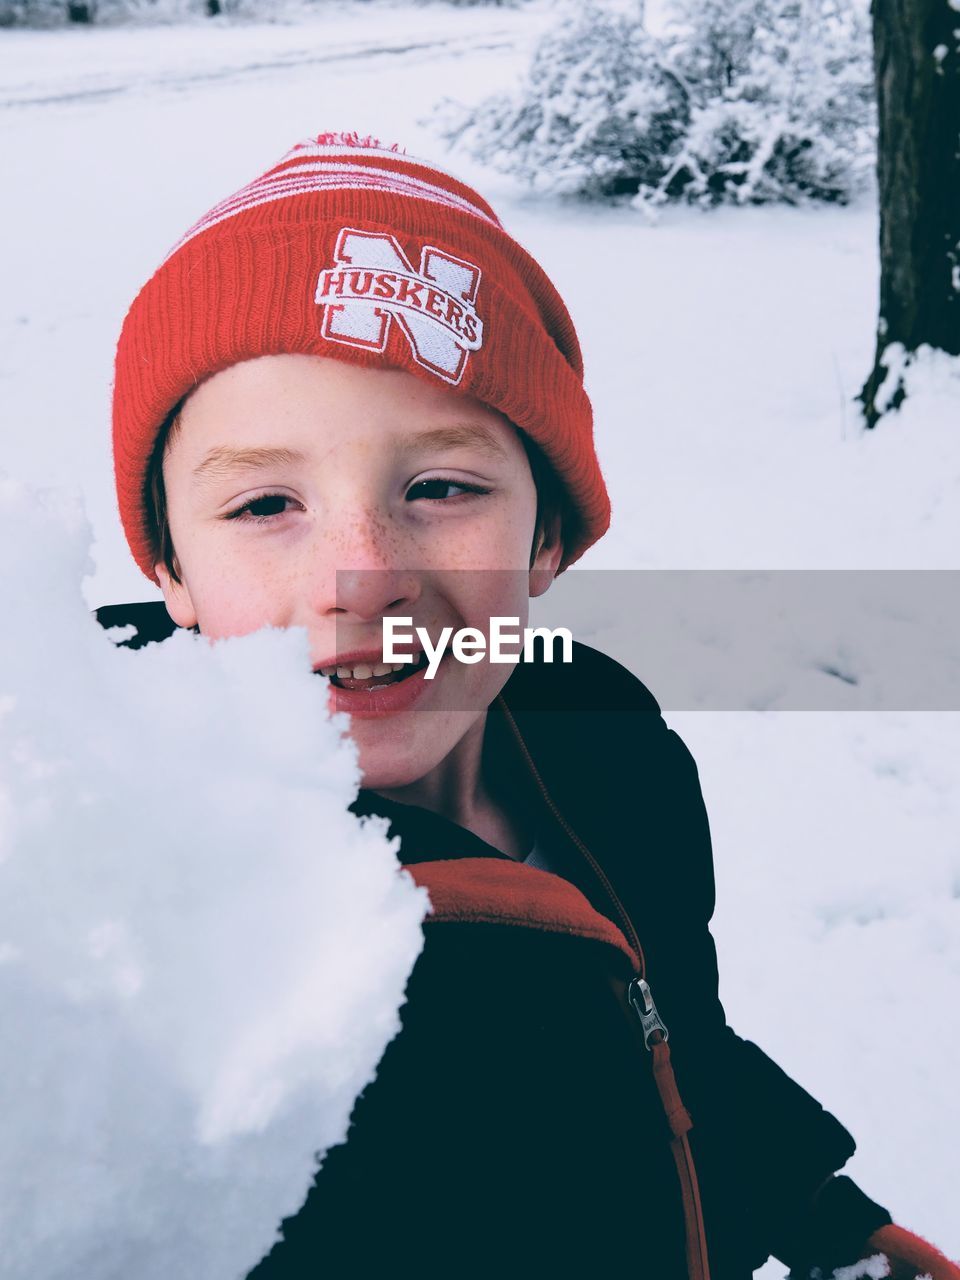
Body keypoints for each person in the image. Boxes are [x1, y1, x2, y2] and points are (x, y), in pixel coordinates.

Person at [101, 133, 957, 1279]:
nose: (363, 571)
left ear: (544, 537)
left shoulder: (604, 743)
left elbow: (667, 1036)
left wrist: (819, 1214)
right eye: (265, 503)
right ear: (171, 570)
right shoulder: (117, 887)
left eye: (441, 486)